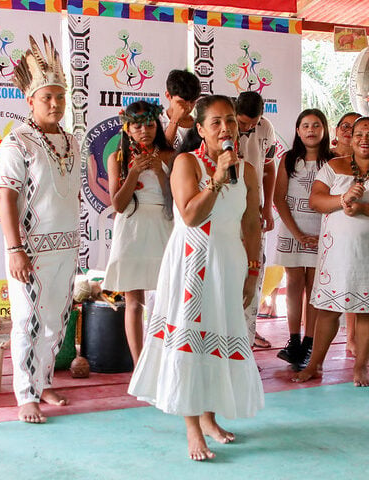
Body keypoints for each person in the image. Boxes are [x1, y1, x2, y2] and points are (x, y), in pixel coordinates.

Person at [128, 95, 263, 461]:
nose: (225, 128)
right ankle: (192, 427)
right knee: (190, 339)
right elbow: (189, 216)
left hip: (229, 261)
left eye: (231, 121)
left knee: (218, 333)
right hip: (192, 261)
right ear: (200, 129)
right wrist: (217, 178)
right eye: (216, 122)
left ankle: (209, 417)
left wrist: (252, 270)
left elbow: (251, 224)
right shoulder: (186, 163)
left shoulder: (247, 170)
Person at [0, 35, 82, 423]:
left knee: (56, 320)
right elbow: (7, 198)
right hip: (29, 249)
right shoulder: (17, 142)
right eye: (46, 97)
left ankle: (44, 379)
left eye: (59, 97)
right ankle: (25, 394)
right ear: (30, 101)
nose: (54, 103)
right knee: (27, 320)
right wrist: (15, 249)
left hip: (66, 245)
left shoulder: (72, 141)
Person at [294, 117, 369, 385]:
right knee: (328, 311)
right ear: (350, 138)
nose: (364, 139)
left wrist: (364, 207)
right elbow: (316, 200)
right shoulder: (333, 167)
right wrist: (343, 199)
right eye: (359, 134)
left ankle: (361, 367)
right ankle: (315, 364)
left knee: (367, 312)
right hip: (336, 257)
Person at [102, 101, 174, 365]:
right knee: (133, 302)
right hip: (131, 229)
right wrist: (133, 172)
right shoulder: (117, 159)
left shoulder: (170, 156)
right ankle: (139, 363)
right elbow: (119, 205)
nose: (144, 130)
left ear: (158, 127)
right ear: (128, 129)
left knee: (166, 298)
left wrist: (159, 172)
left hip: (163, 226)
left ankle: (165, 358)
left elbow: (176, 201)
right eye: (138, 126)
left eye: (150, 125)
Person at [272, 109, 330, 369]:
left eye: (316, 125)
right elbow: (278, 198)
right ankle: (293, 340)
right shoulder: (288, 159)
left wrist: (322, 234)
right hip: (292, 229)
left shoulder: (333, 161)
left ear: (324, 130)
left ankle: (309, 343)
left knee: (314, 286)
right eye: (305, 125)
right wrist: (297, 234)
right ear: (297, 130)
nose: (310, 130)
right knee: (294, 282)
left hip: (321, 232)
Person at [235, 91, 277, 349]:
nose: (249, 128)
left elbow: (269, 166)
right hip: (227, 208)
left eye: (254, 123)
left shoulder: (266, 128)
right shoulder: (223, 125)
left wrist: (268, 208)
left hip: (255, 206)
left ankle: (246, 345)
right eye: (244, 124)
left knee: (254, 273)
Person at [330, 112, 362, 356]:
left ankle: (352, 338)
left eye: (355, 128)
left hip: (354, 229)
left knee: (353, 283)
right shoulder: (325, 160)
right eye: (345, 126)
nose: (348, 131)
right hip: (326, 227)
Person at [160, 69, 200, 149]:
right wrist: (175, 119)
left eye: (192, 102)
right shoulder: (156, 122)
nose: (188, 107)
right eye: (182, 102)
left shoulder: (199, 125)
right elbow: (162, 151)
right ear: (168, 96)